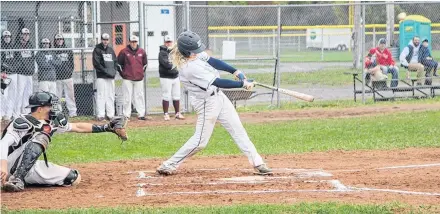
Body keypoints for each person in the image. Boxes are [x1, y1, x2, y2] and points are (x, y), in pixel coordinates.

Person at [156, 31, 272, 176]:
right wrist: (242, 84)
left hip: (218, 96)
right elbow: (217, 82)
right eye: (194, 51)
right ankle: (169, 164)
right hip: (206, 102)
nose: (198, 53)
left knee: (238, 130)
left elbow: (213, 61)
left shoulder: (194, 55)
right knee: (200, 142)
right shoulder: (189, 68)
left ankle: (258, 163)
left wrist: (236, 71)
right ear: (186, 52)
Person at [0, 92, 127, 192]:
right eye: (49, 106)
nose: (52, 108)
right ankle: (16, 179)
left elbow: (77, 127)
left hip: (26, 165)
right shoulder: (22, 122)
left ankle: (21, 180)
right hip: (7, 164)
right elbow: (3, 143)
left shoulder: (51, 122)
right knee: (42, 136)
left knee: (73, 178)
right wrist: (3, 167)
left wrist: (107, 127)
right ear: (39, 109)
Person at [117, 35, 149, 120]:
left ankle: (141, 114)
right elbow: (118, 64)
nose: (133, 43)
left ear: (137, 42)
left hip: (139, 78)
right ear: (129, 42)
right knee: (127, 97)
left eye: (135, 42)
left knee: (139, 96)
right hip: (127, 78)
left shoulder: (142, 51)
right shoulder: (124, 51)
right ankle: (126, 115)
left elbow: (145, 64)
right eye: (132, 42)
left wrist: (141, 73)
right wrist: (123, 74)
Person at [93, 33, 118, 121]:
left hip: (110, 77)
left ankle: (110, 114)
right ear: (101, 40)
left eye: (107, 40)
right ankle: (101, 115)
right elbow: (97, 63)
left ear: (109, 40)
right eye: (104, 39)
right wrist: (106, 71)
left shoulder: (111, 50)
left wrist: (113, 72)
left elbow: (115, 62)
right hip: (101, 76)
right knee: (101, 95)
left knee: (110, 95)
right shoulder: (97, 49)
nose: (105, 41)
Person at [158, 35, 184, 121]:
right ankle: (166, 114)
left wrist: (177, 64)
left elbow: (180, 61)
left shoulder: (175, 52)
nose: (169, 43)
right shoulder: (162, 53)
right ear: (164, 43)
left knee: (176, 95)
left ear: (172, 42)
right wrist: (175, 64)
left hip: (175, 76)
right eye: (167, 42)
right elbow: (166, 65)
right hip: (166, 77)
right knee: (166, 95)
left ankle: (177, 113)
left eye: (170, 42)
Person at [53, 34, 77, 118]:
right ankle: (58, 112)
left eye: (61, 39)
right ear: (55, 41)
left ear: (63, 40)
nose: (59, 40)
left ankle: (72, 112)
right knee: (57, 96)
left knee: (70, 96)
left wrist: (69, 72)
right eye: (57, 39)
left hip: (67, 77)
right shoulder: (53, 51)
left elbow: (71, 63)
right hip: (58, 78)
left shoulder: (68, 50)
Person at [15, 28, 35, 114]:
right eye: (24, 34)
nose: (26, 36)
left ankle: (26, 111)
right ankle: (17, 112)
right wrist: (22, 66)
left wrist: (32, 69)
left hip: (29, 73)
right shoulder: (17, 45)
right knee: (19, 93)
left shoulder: (30, 45)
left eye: (28, 34)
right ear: (21, 35)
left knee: (28, 93)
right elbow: (17, 58)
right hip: (21, 73)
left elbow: (32, 58)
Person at [1, 30, 17, 122]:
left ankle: (9, 114)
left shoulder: (13, 47)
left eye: (8, 36)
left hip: (13, 74)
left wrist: (13, 68)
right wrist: (4, 69)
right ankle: (2, 113)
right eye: (5, 37)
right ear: (2, 38)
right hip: (4, 74)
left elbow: (17, 59)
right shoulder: (1, 47)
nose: (7, 38)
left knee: (12, 94)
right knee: (3, 94)